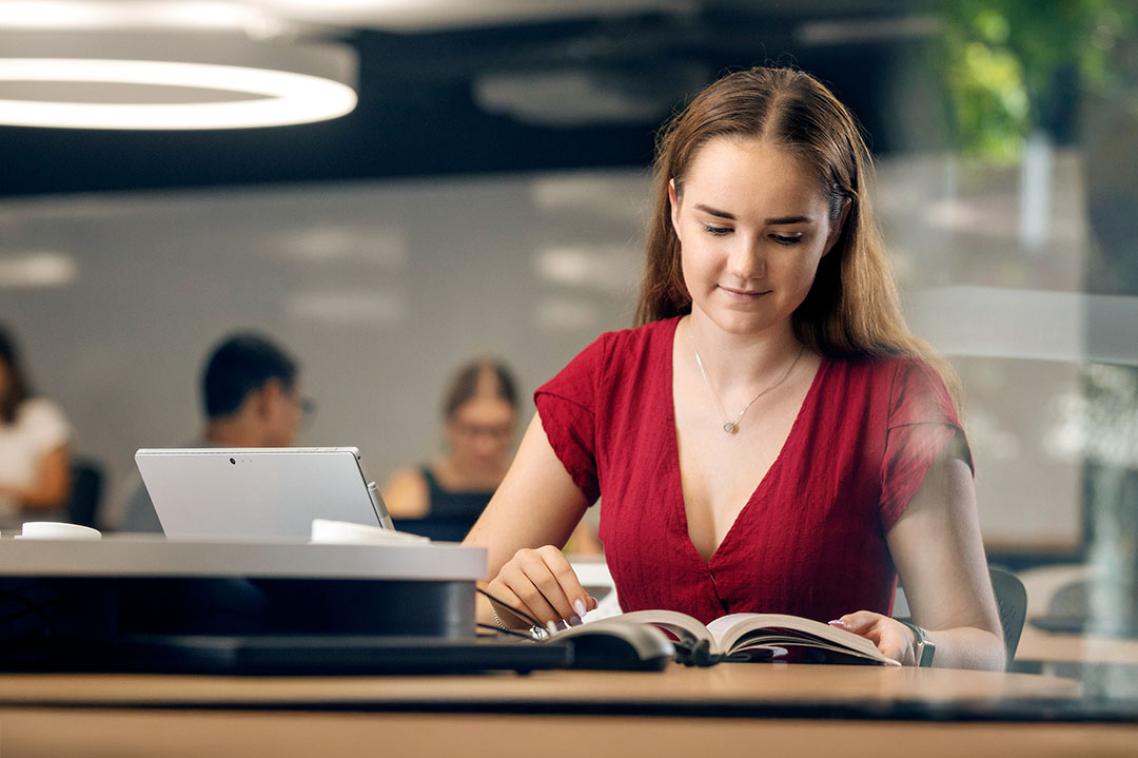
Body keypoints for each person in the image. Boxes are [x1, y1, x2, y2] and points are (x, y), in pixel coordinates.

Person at [465, 66, 1006, 670]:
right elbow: (458, 605)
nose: (745, 266)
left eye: (785, 237)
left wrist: (915, 644)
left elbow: (982, 649)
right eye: (717, 227)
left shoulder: (896, 399)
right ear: (674, 209)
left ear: (834, 230)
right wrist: (507, 597)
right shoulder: (606, 378)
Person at [382, 358, 602, 550]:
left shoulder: (541, 487)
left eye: (498, 432)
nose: (485, 446)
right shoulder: (412, 489)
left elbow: (588, 561)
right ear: (449, 426)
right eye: (472, 430)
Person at [117, 332, 310, 533]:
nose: (298, 419)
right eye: (298, 405)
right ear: (270, 398)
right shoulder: (269, 493)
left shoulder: (147, 482)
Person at [0, 324, 71, 528]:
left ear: (10, 369)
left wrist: (7, 494)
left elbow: (55, 493)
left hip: (33, 535)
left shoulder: (39, 416)